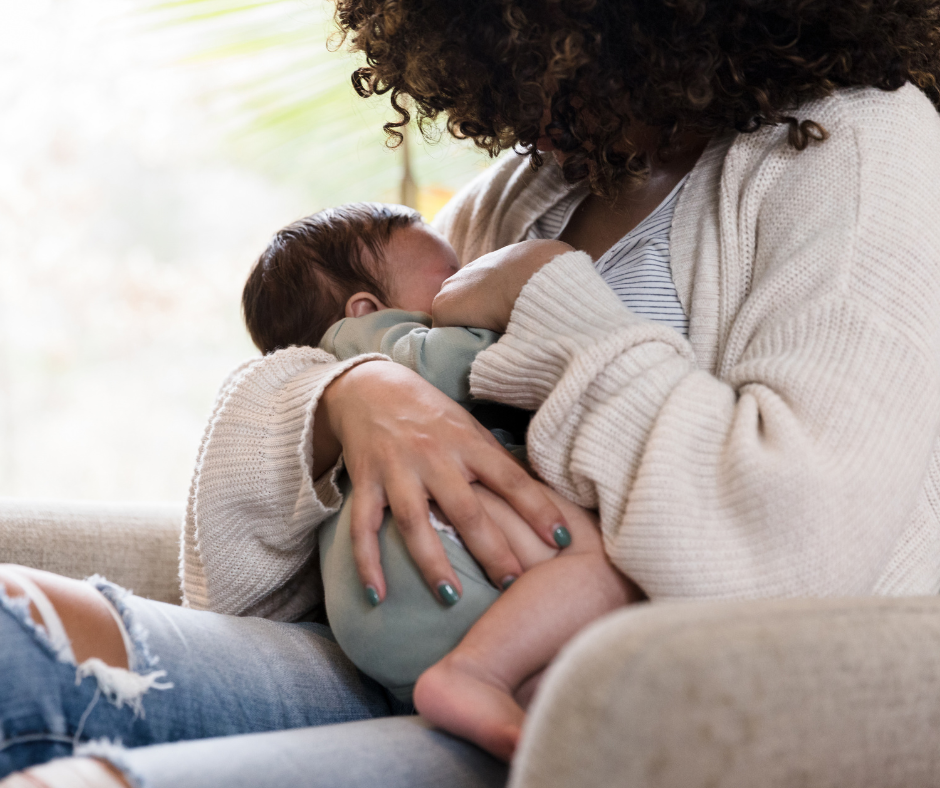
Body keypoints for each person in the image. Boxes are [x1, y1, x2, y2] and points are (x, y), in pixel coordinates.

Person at [2, 1, 940, 786]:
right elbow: (241, 572)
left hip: (596, 710)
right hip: (397, 658)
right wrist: (352, 397)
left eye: (541, 73)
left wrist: (548, 302)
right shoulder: (535, 186)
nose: (513, 118)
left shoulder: (859, 145)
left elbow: (792, 552)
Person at [237, 201, 638, 758]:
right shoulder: (375, 344)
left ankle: (485, 691)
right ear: (365, 308)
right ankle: (474, 673)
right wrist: (521, 294)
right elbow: (464, 363)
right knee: (606, 566)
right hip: (426, 562)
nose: (465, 283)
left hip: (376, 612)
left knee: (550, 706)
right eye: (451, 278)